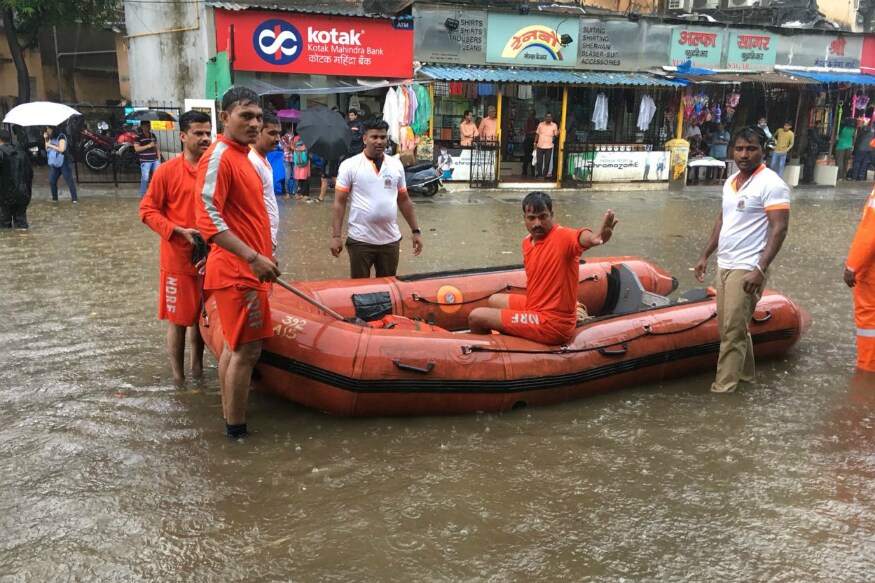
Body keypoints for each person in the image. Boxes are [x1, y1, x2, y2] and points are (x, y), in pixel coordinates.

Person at [194, 87, 280, 439]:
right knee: (247, 350)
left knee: (236, 347)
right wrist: (253, 257)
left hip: (248, 269)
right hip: (237, 272)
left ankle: (232, 422)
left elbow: (247, 216)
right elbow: (208, 219)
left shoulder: (242, 156)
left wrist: (264, 255)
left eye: (259, 117)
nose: (255, 123)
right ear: (225, 116)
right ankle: (236, 431)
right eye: (246, 116)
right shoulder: (218, 157)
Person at [694, 126, 790, 393]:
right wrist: (705, 255)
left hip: (748, 267)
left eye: (751, 149)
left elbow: (779, 228)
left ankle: (723, 392)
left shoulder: (772, 184)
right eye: (739, 149)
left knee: (732, 333)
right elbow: (722, 220)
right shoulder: (730, 181)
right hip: (725, 263)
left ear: (763, 150)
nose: (744, 154)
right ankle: (747, 381)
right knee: (730, 330)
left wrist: (760, 268)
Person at [468, 191, 617, 344]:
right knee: (494, 300)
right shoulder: (527, 242)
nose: (537, 223)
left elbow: (580, 237)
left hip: (553, 323)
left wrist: (594, 239)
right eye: (531, 218)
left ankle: (494, 354)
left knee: (476, 317)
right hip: (534, 308)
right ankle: (515, 333)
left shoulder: (562, 237)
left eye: (543, 217)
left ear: (551, 215)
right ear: (524, 219)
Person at [138, 110, 213, 382]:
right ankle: (179, 378)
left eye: (208, 133)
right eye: (198, 133)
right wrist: (177, 231)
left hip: (211, 257)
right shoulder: (167, 172)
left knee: (201, 317)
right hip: (177, 261)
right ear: (182, 136)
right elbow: (146, 211)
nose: (205, 138)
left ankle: (198, 370)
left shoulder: (215, 171)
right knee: (179, 321)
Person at [331, 118, 423, 278]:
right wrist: (336, 236)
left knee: (388, 290)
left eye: (383, 137)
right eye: (374, 137)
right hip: (360, 241)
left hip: (390, 241)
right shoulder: (350, 165)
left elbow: (404, 200)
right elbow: (340, 203)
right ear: (364, 139)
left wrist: (416, 231)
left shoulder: (396, 165)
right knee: (360, 291)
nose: (379, 141)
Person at [844, 184, 875, 371]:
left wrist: (853, 266)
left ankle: (868, 368)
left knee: (868, 319)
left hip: (871, 273)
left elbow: (869, 233)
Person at [248, 110, 281, 252]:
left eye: (279, 133)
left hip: (266, 238)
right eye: (272, 133)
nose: (278, 138)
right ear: (258, 133)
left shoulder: (263, 159)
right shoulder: (251, 161)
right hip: (257, 239)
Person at [0, 129, 33, 229]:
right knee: (21, 224)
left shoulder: (1, 154)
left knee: (4, 225)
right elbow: (30, 174)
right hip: (23, 194)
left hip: (5, 196)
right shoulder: (22, 153)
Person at [44, 124, 78, 203]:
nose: (47, 131)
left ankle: (74, 199)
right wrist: (46, 139)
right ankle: (55, 198)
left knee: (69, 180)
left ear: (53, 129)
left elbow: (62, 149)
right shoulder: (50, 137)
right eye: (47, 129)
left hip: (64, 162)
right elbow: (46, 149)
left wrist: (50, 145)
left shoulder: (61, 136)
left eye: (49, 129)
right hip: (55, 163)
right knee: (52, 181)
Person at [134, 120, 161, 197]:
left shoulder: (152, 135)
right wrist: (148, 145)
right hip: (145, 161)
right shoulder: (138, 137)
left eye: (149, 126)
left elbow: (157, 148)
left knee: (157, 177)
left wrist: (158, 159)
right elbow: (137, 149)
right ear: (142, 127)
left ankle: (155, 193)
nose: (149, 127)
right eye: (147, 126)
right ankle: (143, 194)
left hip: (155, 160)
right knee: (145, 178)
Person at [535, 112, 559, 179]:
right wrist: (534, 143)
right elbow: (537, 134)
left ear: (552, 118)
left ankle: (544, 175)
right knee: (539, 161)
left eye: (550, 117)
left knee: (547, 162)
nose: (549, 118)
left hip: (549, 146)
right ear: (545, 117)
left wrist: (560, 131)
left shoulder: (554, 125)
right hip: (540, 145)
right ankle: (540, 174)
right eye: (547, 116)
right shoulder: (540, 124)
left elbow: (556, 135)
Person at [280, 124, 297, 198]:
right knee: (288, 176)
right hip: (288, 158)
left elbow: (281, 147)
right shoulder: (285, 138)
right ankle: (288, 193)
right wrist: (290, 143)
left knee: (295, 176)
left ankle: (294, 192)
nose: (291, 130)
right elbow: (284, 147)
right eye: (290, 129)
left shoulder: (295, 138)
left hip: (294, 158)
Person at [292, 132, 311, 199]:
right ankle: (301, 193)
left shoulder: (307, 138)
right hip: (298, 159)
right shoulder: (295, 138)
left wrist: (298, 149)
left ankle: (305, 193)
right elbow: (293, 146)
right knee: (300, 177)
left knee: (305, 177)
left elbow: (307, 146)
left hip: (304, 159)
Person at [522, 109, 538, 177]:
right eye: (530, 114)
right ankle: (524, 172)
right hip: (528, 140)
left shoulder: (537, 121)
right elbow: (526, 131)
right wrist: (534, 131)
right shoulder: (527, 121)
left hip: (534, 140)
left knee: (533, 156)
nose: (532, 115)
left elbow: (539, 130)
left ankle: (533, 172)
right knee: (526, 156)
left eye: (533, 114)